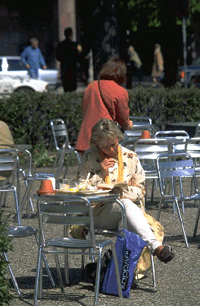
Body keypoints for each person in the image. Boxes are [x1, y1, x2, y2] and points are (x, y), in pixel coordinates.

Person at [76, 118, 175, 277]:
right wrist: (100, 174)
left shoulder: (130, 156)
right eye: (105, 147)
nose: (111, 149)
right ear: (97, 145)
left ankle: (120, 272)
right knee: (125, 205)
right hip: (98, 212)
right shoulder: (89, 156)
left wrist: (122, 192)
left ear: (118, 139)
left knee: (125, 208)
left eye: (114, 144)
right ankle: (156, 247)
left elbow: (141, 189)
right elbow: (80, 188)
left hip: (126, 212)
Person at [75, 58, 133, 154]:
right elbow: (123, 119)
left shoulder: (91, 86)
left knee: (88, 167)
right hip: (106, 139)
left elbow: (84, 109)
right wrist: (129, 124)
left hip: (86, 138)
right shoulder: (120, 91)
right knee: (108, 168)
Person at [55, 27, 82, 92]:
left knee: (66, 87)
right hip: (73, 68)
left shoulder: (60, 45)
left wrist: (63, 60)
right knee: (73, 87)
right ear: (71, 35)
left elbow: (57, 56)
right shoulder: (74, 45)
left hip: (64, 68)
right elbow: (78, 56)